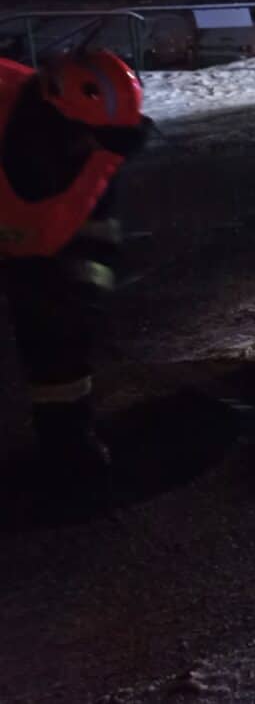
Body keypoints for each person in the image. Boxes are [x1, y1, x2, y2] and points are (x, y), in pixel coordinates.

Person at [0, 50, 148, 495]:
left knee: (57, 316)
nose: (93, 148)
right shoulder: (24, 141)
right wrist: (104, 160)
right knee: (42, 301)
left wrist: (87, 285)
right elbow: (34, 236)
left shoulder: (73, 123)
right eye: (88, 139)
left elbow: (91, 220)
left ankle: (66, 438)